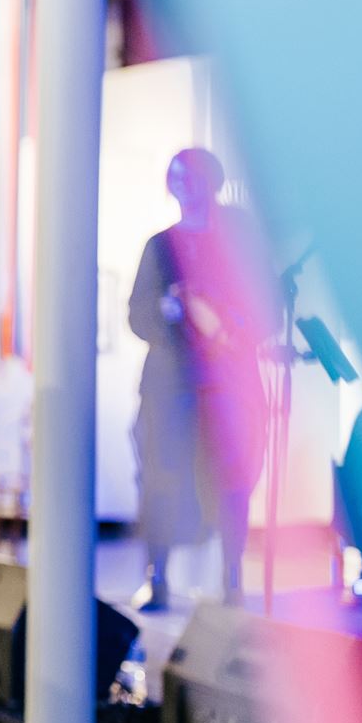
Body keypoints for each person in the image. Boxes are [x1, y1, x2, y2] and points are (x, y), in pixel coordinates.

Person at [127, 147, 270, 610]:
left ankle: (232, 579)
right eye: (176, 176)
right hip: (171, 388)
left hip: (227, 387)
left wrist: (224, 322)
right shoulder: (160, 245)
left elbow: (263, 312)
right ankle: (159, 578)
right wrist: (168, 313)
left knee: (231, 481)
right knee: (161, 479)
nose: (182, 185)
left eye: (191, 176)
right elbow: (136, 315)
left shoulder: (237, 244)